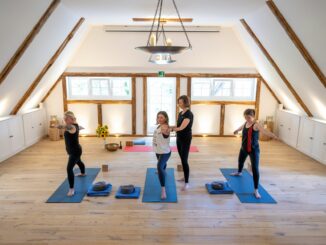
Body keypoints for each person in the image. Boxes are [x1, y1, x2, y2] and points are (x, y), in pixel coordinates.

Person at [231, 108, 278, 199]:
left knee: (255, 169)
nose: (247, 119)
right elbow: (241, 127)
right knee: (240, 161)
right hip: (244, 148)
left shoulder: (256, 125)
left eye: (248, 117)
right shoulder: (245, 123)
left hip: (254, 150)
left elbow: (265, 131)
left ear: (253, 116)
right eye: (245, 117)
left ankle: (256, 190)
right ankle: (239, 172)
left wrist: (274, 136)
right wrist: (236, 130)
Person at [58, 111, 86, 197]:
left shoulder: (72, 127)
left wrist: (57, 125)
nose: (65, 119)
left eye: (67, 118)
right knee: (79, 162)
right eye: (65, 118)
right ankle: (83, 173)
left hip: (75, 152)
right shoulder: (75, 125)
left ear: (72, 118)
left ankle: (71, 189)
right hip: (75, 150)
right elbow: (79, 127)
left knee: (69, 169)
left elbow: (64, 126)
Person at [171, 95, 194, 191]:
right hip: (179, 138)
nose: (179, 104)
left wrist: (170, 129)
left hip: (186, 138)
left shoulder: (189, 114)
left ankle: (187, 182)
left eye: (180, 102)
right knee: (182, 158)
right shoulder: (181, 113)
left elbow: (181, 128)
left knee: (184, 160)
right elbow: (178, 125)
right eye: (178, 102)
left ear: (185, 102)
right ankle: (184, 177)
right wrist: (168, 126)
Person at [153, 111, 171, 200]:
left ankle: (163, 190)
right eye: (158, 117)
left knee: (159, 167)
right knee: (162, 166)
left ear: (165, 118)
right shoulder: (159, 126)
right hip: (158, 150)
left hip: (165, 152)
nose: (159, 119)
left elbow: (166, 131)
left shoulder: (165, 127)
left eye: (161, 117)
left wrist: (169, 129)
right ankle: (163, 171)